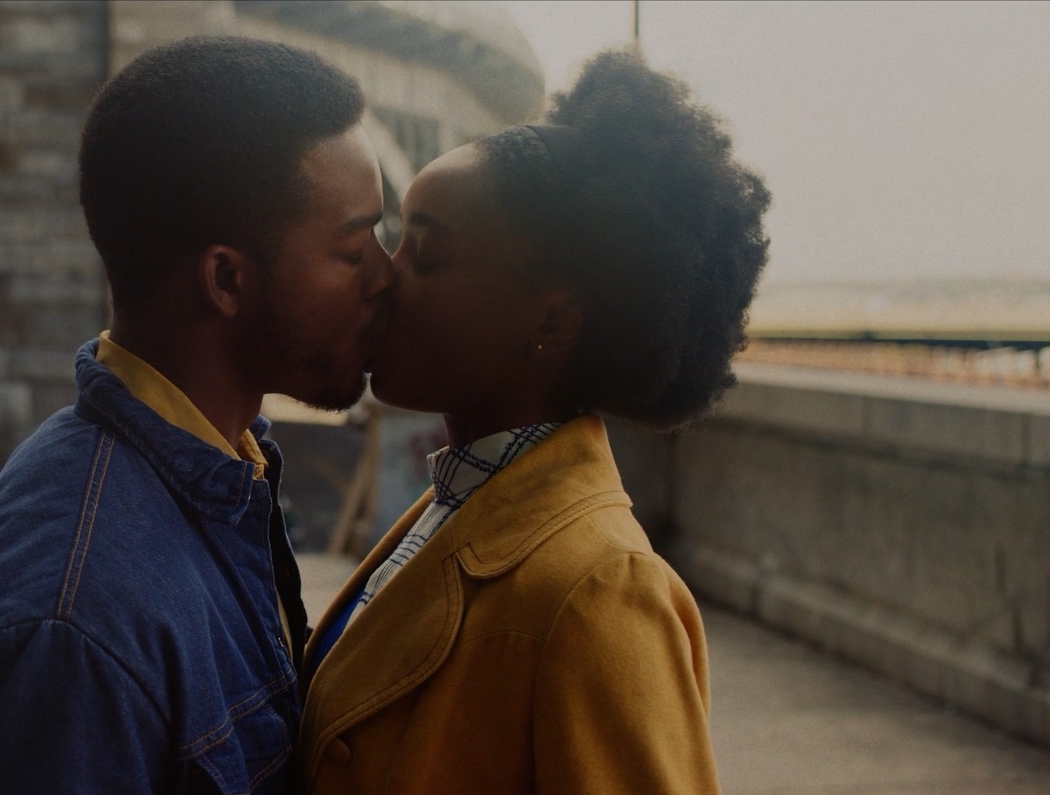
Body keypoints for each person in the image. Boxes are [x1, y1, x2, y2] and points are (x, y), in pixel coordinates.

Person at [0, 36, 394, 795]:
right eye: (356, 251)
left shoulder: (226, 465)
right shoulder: (67, 630)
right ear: (226, 279)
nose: (387, 279)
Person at [298, 50, 770, 795]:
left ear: (551, 319)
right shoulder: (460, 506)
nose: (384, 274)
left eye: (426, 255)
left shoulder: (602, 591)